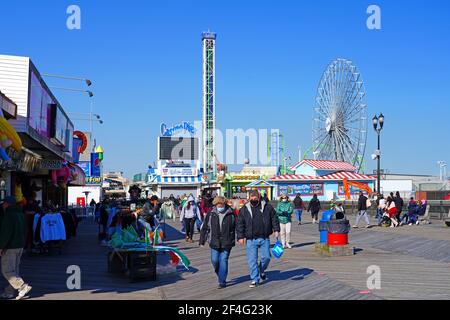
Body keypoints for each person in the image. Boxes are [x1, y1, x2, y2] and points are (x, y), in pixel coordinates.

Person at [236, 190, 280, 288]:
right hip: (251, 239)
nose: (254, 199)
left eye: (256, 198)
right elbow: (240, 223)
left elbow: (274, 218)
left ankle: (261, 270)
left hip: (264, 237)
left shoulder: (267, 207)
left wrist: (276, 229)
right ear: (249, 198)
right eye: (252, 198)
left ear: (259, 198)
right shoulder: (244, 209)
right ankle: (255, 279)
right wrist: (240, 236)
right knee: (252, 260)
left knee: (267, 257)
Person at [199, 196, 236, 289]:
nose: (220, 206)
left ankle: (222, 281)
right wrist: (202, 240)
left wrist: (240, 236)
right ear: (215, 205)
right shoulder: (211, 213)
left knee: (223, 260)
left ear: (224, 204)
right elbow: (205, 228)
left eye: (221, 204)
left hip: (227, 241)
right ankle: (220, 274)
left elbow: (238, 225)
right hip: (214, 241)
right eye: (218, 204)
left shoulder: (231, 213)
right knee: (214, 260)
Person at [0, 196, 32, 300]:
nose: (3, 205)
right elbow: (26, 230)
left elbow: (6, 234)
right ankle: (9, 292)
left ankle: (22, 287)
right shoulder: (21, 215)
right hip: (20, 246)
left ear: (8, 204)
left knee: (7, 270)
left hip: (10, 247)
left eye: (4, 203)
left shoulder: (8, 216)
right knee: (14, 270)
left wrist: (1, 247)